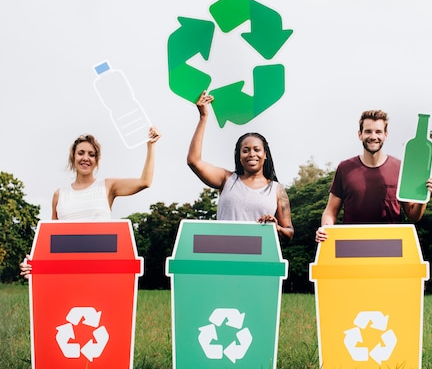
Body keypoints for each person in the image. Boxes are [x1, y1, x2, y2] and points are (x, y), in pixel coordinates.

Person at [20, 127, 161, 276]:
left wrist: (151, 146)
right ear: (73, 157)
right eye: (81, 153)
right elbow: (50, 241)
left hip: (101, 267)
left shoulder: (108, 186)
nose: (86, 158)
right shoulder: (59, 194)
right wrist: (31, 262)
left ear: (97, 160)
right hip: (68, 269)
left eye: (91, 154)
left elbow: (145, 182)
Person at [315, 109, 432, 242]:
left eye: (378, 132)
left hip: (391, 245)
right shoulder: (345, 168)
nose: (373, 136)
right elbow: (331, 210)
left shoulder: (400, 168)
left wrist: (424, 195)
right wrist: (325, 228)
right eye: (368, 131)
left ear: (386, 135)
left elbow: (413, 215)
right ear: (360, 134)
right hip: (351, 245)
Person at [187, 92, 294, 243]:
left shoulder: (277, 190)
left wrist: (276, 228)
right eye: (245, 150)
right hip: (224, 254)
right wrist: (203, 117)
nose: (251, 154)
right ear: (239, 156)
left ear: (265, 155)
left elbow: (289, 233)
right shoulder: (226, 179)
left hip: (259, 258)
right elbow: (194, 161)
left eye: (257, 150)